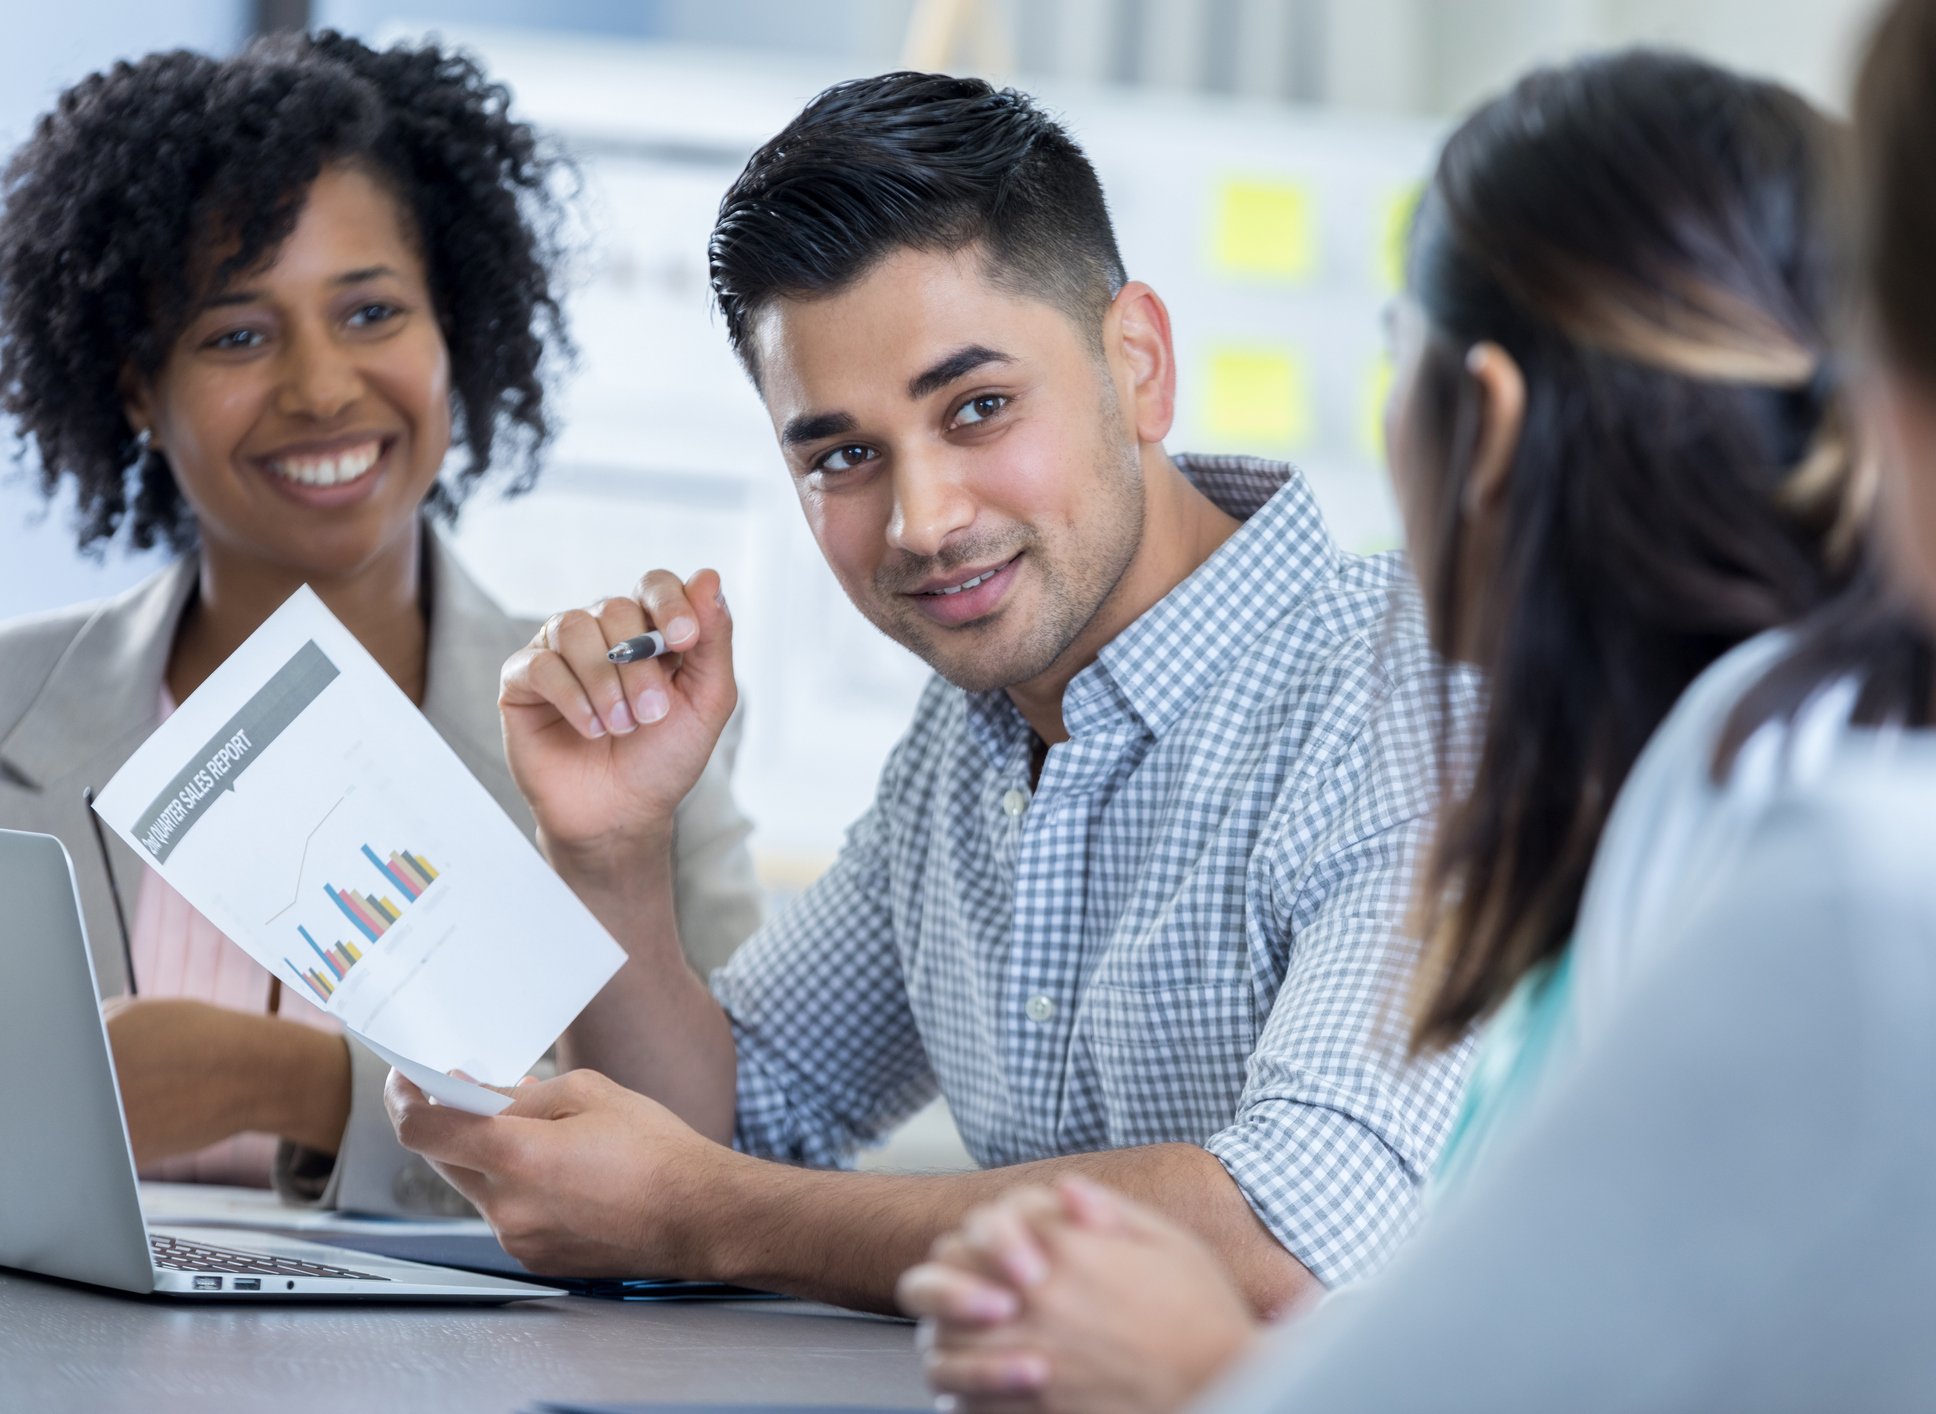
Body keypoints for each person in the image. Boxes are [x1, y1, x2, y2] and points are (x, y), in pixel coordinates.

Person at [932, 1, 1936, 1407]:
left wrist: (1200, 1370)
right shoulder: (1818, 770)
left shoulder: (1802, 833)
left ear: (1483, 424)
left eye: (1395, 357)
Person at [387, 70, 1466, 1315]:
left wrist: (705, 1211)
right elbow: (727, 1126)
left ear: (1141, 365)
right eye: (844, 455)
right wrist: (611, 848)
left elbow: (1302, 1234)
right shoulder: (974, 735)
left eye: (980, 407)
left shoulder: (1415, 694)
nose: (921, 522)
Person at [0, 33, 760, 1215]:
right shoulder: (9, 710)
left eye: (370, 312)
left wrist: (301, 1083)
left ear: (452, 331)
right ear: (138, 387)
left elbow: (707, 1164)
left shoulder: (624, 727)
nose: (320, 388)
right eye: (236, 334)